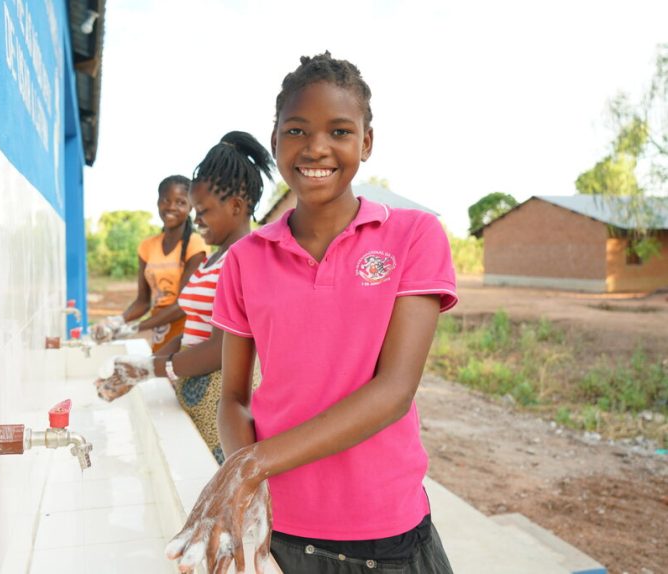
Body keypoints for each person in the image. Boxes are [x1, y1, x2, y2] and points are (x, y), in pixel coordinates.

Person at [166, 52, 458, 574]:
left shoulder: (413, 236)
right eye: (297, 130)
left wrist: (252, 464)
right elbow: (234, 398)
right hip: (284, 532)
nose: (316, 147)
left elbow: (394, 391)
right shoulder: (247, 260)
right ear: (276, 138)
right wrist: (243, 477)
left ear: (366, 142)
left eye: (339, 131)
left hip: (386, 533)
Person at [95, 131, 273, 464]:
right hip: (197, 396)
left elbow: (222, 350)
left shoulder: (247, 258)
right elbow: (193, 332)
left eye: (203, 210)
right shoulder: (213, 259)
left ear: (236, 206)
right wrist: (144, 367)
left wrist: (151, 368)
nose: (197, 220)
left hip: (224, 406)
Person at [93, 175, 207, 353]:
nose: (171, 207)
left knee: (176, 376)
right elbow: (143, 301)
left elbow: (184, 304)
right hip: (160, 329)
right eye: (165, 200)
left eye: (180, 202)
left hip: (187, 331)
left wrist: (135, 328)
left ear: (190, 206)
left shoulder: (196, 245)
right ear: (158, 202)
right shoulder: (147, 246)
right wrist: (118, 321)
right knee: (160, 376)